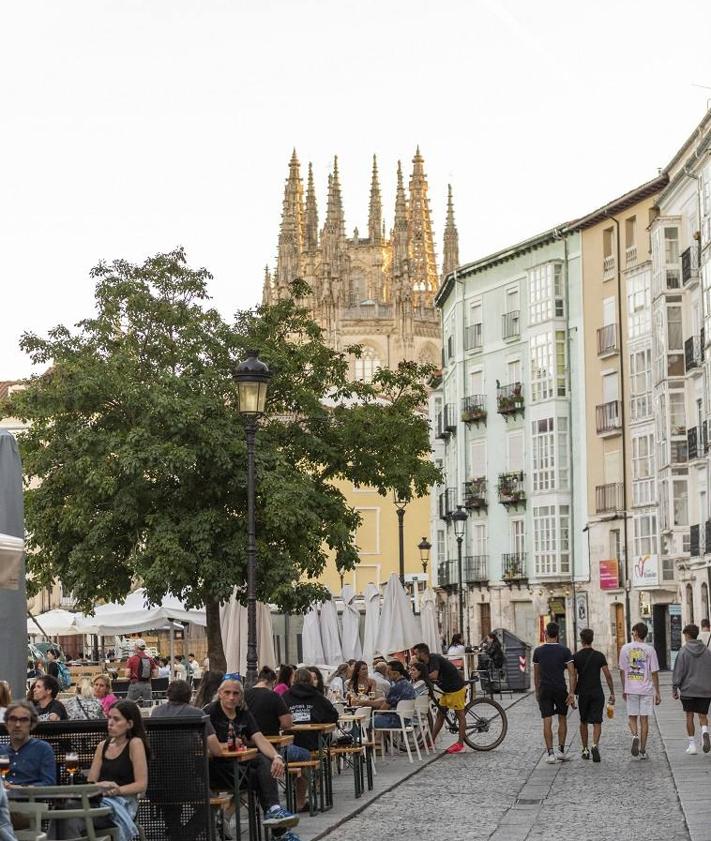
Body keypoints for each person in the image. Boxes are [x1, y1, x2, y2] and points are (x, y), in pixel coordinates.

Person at [205, 677, 300, 838]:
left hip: (239, 769)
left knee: (264, 761)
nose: (231, 697)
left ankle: (274, 812)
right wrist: (226, 746)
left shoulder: (243, 713)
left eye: (235, 693)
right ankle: (278, 828)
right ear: (220, 694)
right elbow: (203, 745)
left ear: (241, 696)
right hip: (216, 770)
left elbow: (259, 739)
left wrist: (277, 756)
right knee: (262, 778)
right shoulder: (210, 713)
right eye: (227, 693)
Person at [64, 700, 149, 841]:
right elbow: (91, 782)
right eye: (109, 718)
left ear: (130, 724)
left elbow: (141, 785)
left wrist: (117, 790)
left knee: (68, 814)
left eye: (116, 719)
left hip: (122, 803)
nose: (110, 723)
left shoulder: (135, 743)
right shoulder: (102, 746)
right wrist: (100, 787)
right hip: (99, 801)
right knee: (64, 812)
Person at [532, 622, 575, 763]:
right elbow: (572, 673)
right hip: (560, 688)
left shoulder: (538, 652)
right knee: (562, 718)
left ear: (546, 634)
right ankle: (561, 751)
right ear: (557, 635)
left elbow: (536, 674)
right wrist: (571, 692)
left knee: (547, 719)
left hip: (545, 688)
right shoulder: (565, 651)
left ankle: (550, 753)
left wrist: (537, 691)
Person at [413, 642, 467, 754]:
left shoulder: (434, 659)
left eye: (416, 654)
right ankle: (431, 741)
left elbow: (434, 675)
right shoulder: (425, 663)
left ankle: (460, 744)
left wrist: (421, 676)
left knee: (460, 715)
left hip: (455, 687)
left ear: (423, 653)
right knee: (440, 715)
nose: (415, 656)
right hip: (446, 690)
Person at [619, 621, 661, 759]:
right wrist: (658, 692)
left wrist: (624, 688)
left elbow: (622, 670)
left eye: (632, 632)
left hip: (631, 688)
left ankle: (635, 736)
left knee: (632, 717)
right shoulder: (650, 650)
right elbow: (654, 672)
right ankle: (642, 750)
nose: (632, 634)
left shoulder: (625, 648)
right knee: (644, 720)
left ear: (636, 633)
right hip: (646, 689)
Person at [573, 628, 615, 762]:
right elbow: (607, 675)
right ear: (592, 639)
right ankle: (595, 745)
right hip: (597, 692)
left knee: (583, 721)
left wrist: (571, 694)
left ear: (582, 640)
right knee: (597, 721)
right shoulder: (599, 656)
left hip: (583, 693)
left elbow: (573, 676)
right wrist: (612, 692)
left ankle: (585, 749)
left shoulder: (576, 657)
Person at [672, 623, 711, 755]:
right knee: (703, 715)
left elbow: (679, 671)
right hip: (705, 689)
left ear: (687, 635)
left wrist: (675, 687)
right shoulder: (707, 651)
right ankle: (705, 732)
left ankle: (692, 745)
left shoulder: (683, 651)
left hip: (688, 689)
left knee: (689, 715)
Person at [283, 669, 340, 755]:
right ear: (311, 680)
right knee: (334, 737)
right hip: (316, 742)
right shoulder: (318, 696)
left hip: (292, 742)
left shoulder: (285, 697)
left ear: (293, 680)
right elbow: (333, 716)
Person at [367, 661, 416, 728]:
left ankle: (369, 738)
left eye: (388, 672)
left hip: (396, 720)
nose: (387, 674)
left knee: (366, 722)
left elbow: (385, 707)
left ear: (396, 673)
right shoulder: (408, 684)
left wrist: (375, 715)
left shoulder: (397, 687)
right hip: (406, 719)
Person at [124, 639, 158, 706]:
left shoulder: (132, 659)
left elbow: (127, 674)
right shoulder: (150, 659)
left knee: (128, 705)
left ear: (136, 647)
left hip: (135, 685)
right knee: (148, 706)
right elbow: (156, 674)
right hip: (147, 685)